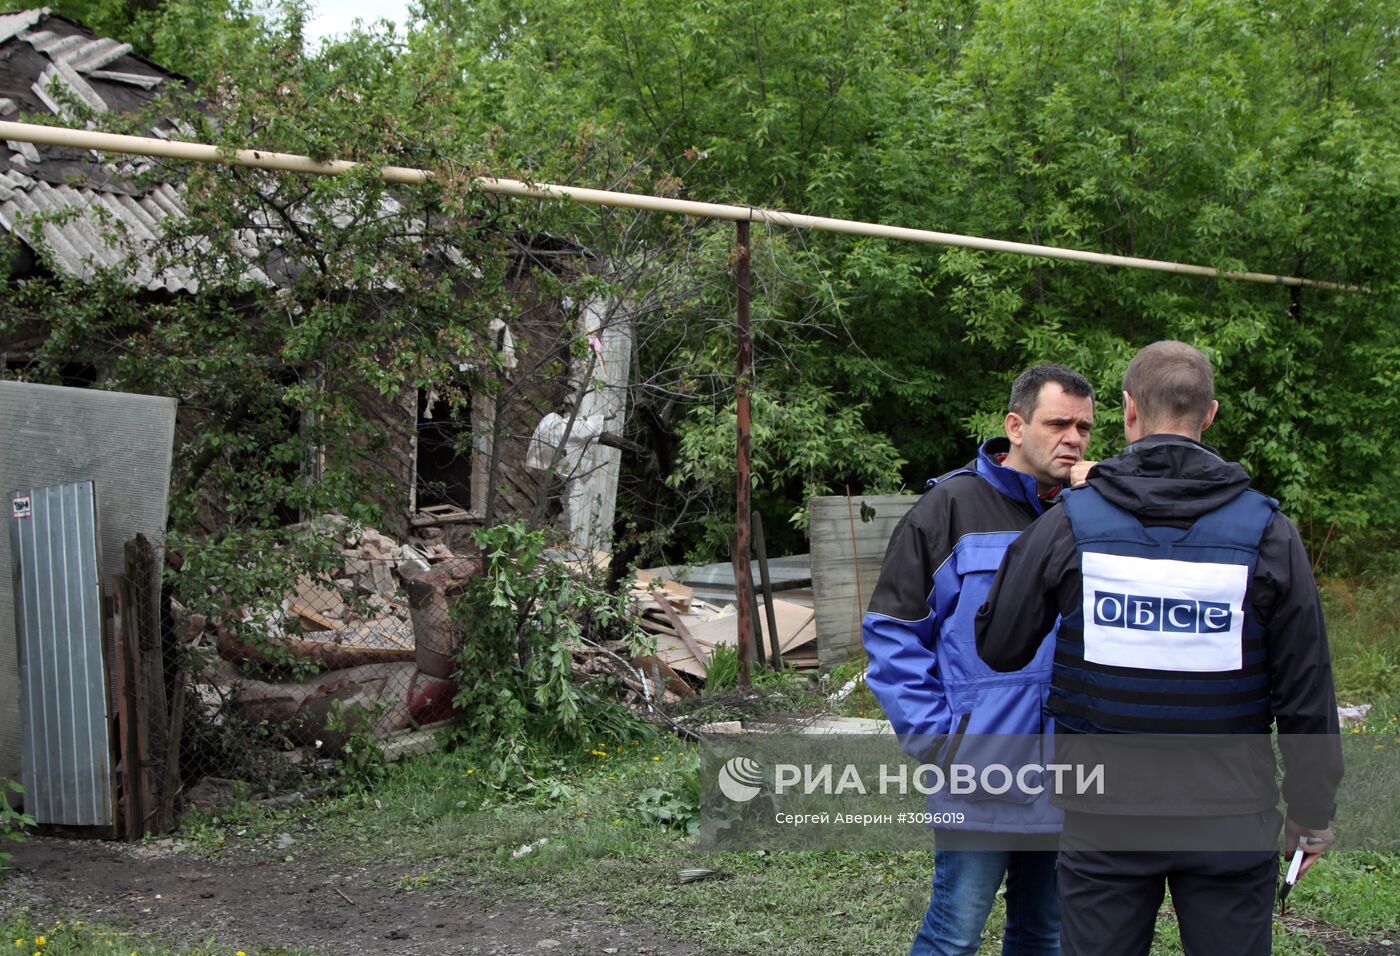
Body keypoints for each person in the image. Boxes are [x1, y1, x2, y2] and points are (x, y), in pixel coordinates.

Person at [975, 341, 1343, 956]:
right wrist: (1311, 811)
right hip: (1230, 813)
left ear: (1127, 412)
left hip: (1105, 817)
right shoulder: (1269, 533)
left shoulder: (1070, 521)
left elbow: (1001, 645)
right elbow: (1309, 690)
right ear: (1210, 414)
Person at [863, 363, 1095, 956]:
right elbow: (893, 635)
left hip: (1071, 772)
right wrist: (941, 743)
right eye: (1058, 423)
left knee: (1045, 935)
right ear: (1016, 426)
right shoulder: (949, 509)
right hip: (980, 770)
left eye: (1085, 428)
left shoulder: (1091, 515)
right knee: (954, 934)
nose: (1073, 439)